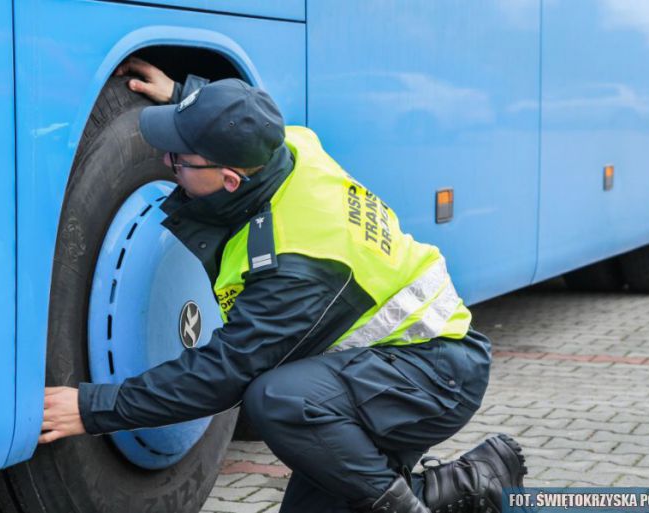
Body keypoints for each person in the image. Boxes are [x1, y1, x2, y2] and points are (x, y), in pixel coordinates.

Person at [40, 57, 527, 513]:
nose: (169, 164)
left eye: (180, 160)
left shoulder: (297, 266)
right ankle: (475, 484)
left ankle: (421, 501)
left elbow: (220, 373)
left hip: (431, 378)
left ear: (230, 179)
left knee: (277, 399)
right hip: (390, 369)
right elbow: (251, 114)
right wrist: (189, 102)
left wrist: (94, 406)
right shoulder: (292, 148)